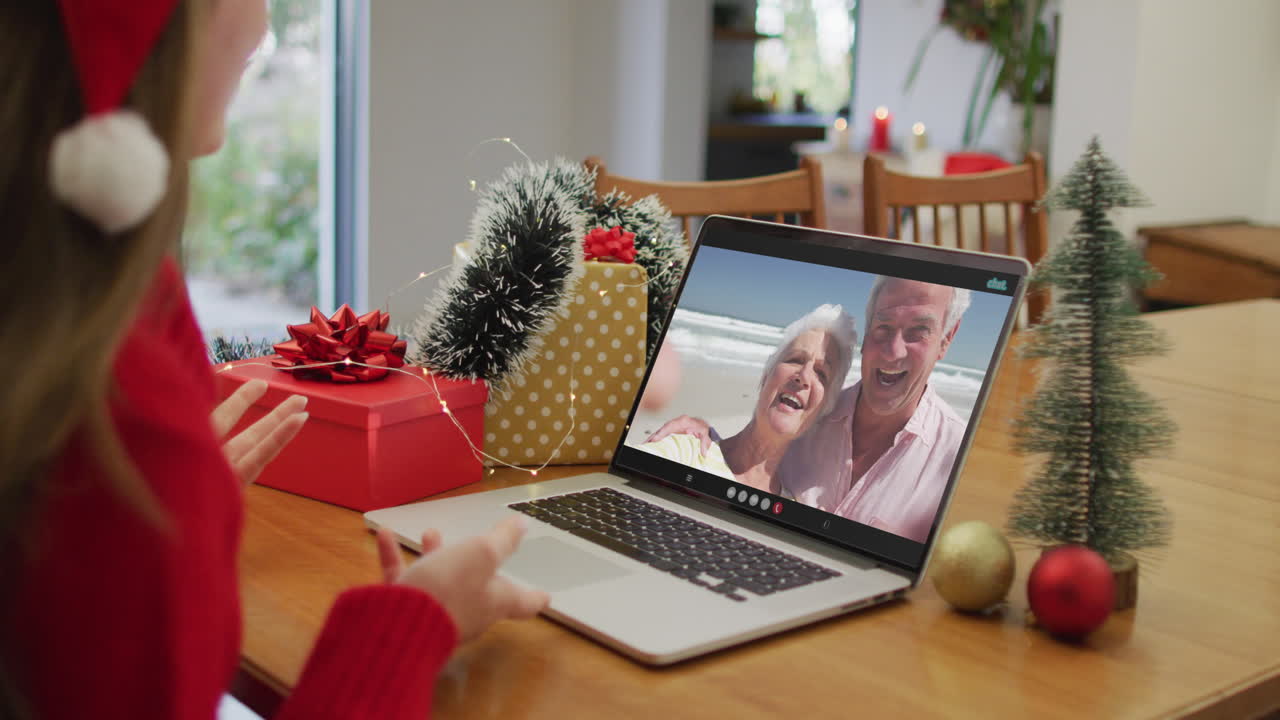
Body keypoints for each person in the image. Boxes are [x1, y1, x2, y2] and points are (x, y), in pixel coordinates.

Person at [0, 2, 546, 719]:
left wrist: (184, 516)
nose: (264, 23)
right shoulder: (121, 416)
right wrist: (415, 622)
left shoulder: (85, 331)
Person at [649, 277, 970, 542]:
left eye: (918, 332)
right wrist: (696, 438)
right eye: (883, 326)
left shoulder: (959, 461)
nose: (893, 351)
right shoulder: (810, 415)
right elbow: (742, 453)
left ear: (946, 339)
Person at [638, 305, 855, 495]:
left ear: (824, 408)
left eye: (821, 374)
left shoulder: (789, 511)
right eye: (795, 359)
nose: (804, 376)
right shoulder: (685, 451)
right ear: (766, 375)